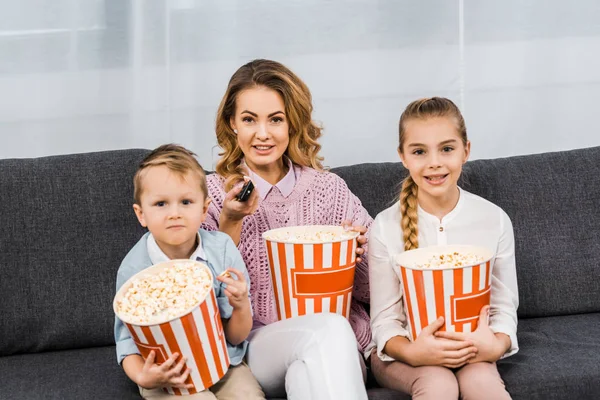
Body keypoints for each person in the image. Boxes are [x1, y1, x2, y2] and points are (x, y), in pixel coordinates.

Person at [201, 59, 371, 400]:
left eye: (275, 119)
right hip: (260, 345)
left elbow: (372, 292)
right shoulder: (211, 195)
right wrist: (230, 224)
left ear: (292, 123)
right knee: (328, 328)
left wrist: (359, 257)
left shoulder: (330, 189)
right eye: (249, 119)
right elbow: (203, 301)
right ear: (232, 123)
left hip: (336, 348)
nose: (262, 134)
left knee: (306, 372)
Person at [367, 97, 519, 399]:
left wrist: (496, 344)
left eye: (447, 149)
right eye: (419, 151)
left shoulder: (495, 220)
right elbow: (385, 321)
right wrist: (413, 353)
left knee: (483, 384)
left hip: (472, 349)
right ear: (403, 156)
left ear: (466, 151)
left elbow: (503, 306)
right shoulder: (385, 227)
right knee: (438, 384)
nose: (434, 162)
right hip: (403, 354)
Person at [114, 144, 265, 399]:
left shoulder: (222, 250)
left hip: (223, 362)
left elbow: (236, 336)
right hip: (167, 374)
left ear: (204, 209)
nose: (175, 214)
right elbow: (127, 342)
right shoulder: (134, 270)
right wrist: (143, 376)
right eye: (161, 203)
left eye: (186, 202)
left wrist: (240, 306)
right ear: (141, 214)